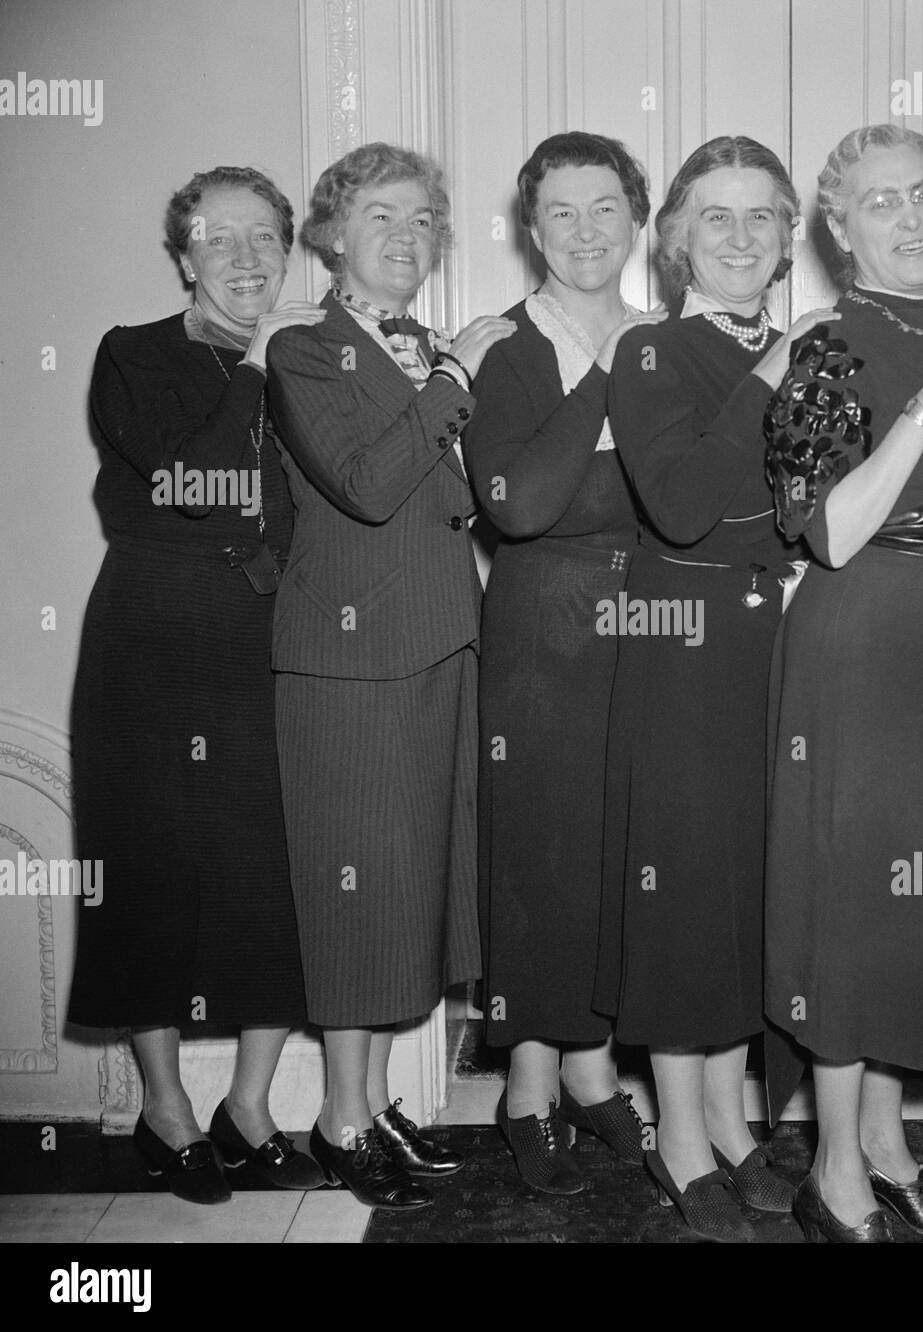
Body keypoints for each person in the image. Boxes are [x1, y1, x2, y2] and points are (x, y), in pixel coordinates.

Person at [764, 125, 923, 1243]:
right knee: (852, 904)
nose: (909, 219)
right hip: (859, 633)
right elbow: (825, 531)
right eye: (880, 203)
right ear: (838, 229)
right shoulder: (825, 345)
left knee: (913, 900)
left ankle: (879, 1136)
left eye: (922, 195)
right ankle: (831, 1169)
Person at [67, 166, 327, 1203]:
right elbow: (189, 487)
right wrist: (260, 364)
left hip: (270, 635)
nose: (250, 257)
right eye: (222, 239)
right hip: (153, 634)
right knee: (147, 868)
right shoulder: (134, 356)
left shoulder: (307, 359)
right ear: (184, 255)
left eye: (267, 236)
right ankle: (167, 1111)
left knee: (279, 870)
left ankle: (249, 1104)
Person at [266, 142, 516, 1209]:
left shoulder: (415, 349)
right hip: (348, 661)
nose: (405, 238)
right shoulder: (303, 351)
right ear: (330, 235)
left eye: (421, 221)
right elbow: (368, 486)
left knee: (405, 893)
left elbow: (467, 497)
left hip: (435, 643)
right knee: (354, 898)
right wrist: (457, 376)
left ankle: (367, 1107)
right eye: (380, 218)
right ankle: (337, 1117)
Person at [596, 136, 832, 1242]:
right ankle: (678, 1138)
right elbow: (685, 505)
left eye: (762, 218)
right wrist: (774, 377)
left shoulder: (809, 352)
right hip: (681, 642)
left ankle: (735, 1123)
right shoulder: (650, 353)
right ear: (677, 240)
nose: (741, 239)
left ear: (790, 239)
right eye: (716, 218)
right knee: (684, 889)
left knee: (748, 887)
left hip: (773, 642)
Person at [466, 132, 666, 1193]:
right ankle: (528, 1083)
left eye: (604, 209)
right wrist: (609, 377)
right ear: (530, 229)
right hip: (545, 628)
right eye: (560, 214)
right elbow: (526, 503)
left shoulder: (670, 339)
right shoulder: (506, 346)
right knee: (542, 854)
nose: (584, 232)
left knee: (616, 855)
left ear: (636, 220)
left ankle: (591, 1068)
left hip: (652, 625)